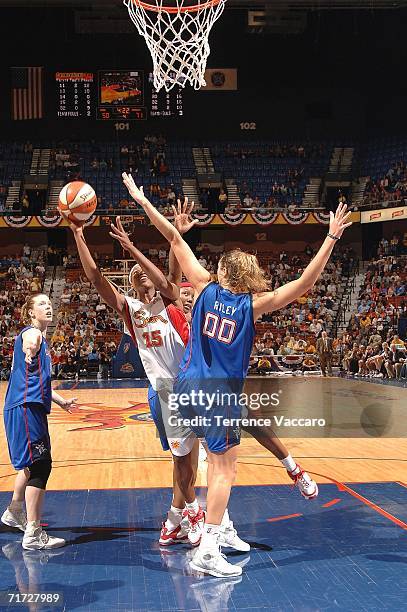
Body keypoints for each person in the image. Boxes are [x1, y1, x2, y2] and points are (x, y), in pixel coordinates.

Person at [120, 172, 352, 577]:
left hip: (184, 390)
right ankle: (207, 548)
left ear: (225, 270)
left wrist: (142, 201)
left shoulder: (205, 287)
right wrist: (330, 238)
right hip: (217, 395)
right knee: (224, 470)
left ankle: (208, 527)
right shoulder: (253, 304)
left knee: (199, 463)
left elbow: (174, 238)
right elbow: (303, 283)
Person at [71, 206, 246, 552]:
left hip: (195, 385)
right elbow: (95, 277)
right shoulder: (130, 312)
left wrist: (175, 234)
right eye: (136, 275)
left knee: (197, 461)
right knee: (185, 462)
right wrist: (78, 234)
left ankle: (175, 520)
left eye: (145, 272)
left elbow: (171, 271)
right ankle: (195, 516)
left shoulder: (172, 302)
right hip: (166, 390)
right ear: (133, 285)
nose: (141, 275)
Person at [1, 294, 77, 550]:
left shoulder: (43, 341)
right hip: (25, 408)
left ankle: (14, 511)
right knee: (41, 465)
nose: (49, 307)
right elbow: (29, 340)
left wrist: (60, 401)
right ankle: (33, 533)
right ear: (31, 312)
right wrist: (30, 348)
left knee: (31, 463)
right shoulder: (31, 333)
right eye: (42, 304)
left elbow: (40, 381)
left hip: (28, 406)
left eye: (50, 304)